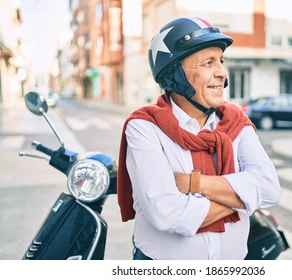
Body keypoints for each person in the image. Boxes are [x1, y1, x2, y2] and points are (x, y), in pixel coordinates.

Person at [117, 17, 281, 260]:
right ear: (175, 74)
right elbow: (167, 214)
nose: (222, 73)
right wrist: (243, 199)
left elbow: (270, 189)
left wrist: (196, 184)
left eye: (221, 61)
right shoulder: (145, 127)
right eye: (208, 63)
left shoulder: (236, 123)